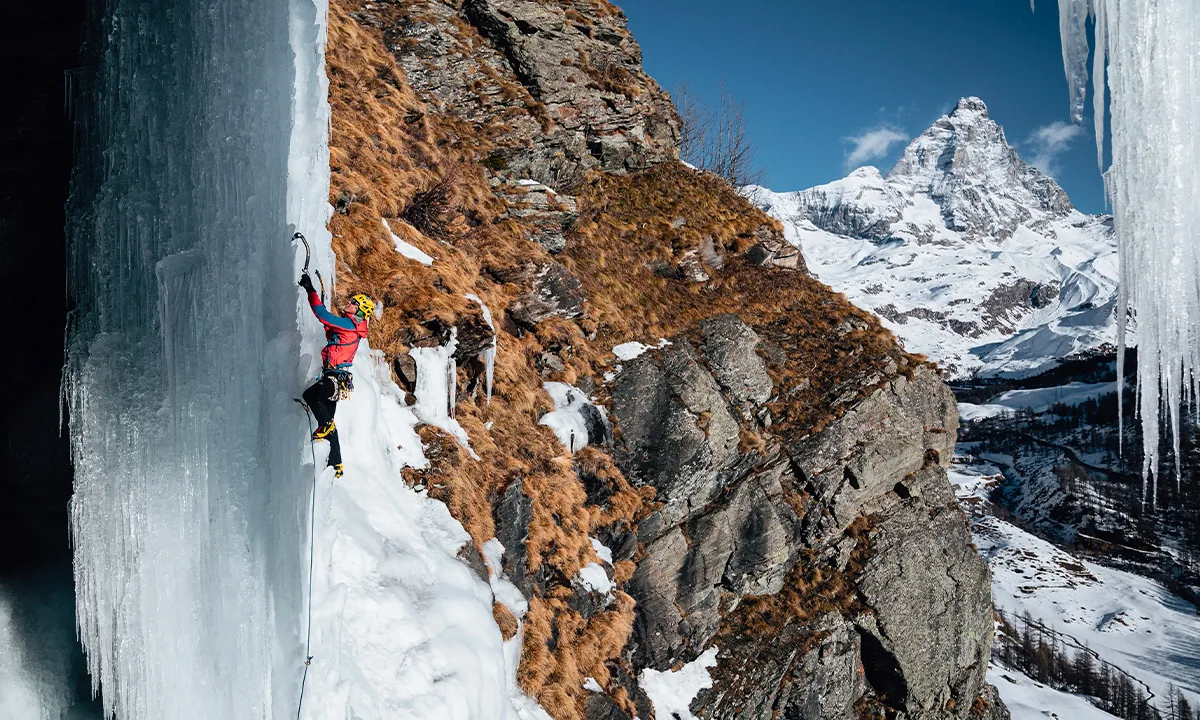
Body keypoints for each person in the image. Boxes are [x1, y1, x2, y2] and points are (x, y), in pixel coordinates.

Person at [299, 272, 374, 478]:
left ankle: (325, 426)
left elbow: (323, 315)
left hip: (334, 379)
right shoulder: (352, 328)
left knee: (311, 397)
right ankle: (336, 465)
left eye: (353, 302)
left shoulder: (350, 326)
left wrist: (310, 290)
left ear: (358, 310)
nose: (349, 303)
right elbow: (331, 328)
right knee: (329, 422)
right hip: (338, 380)